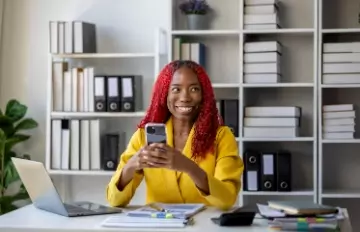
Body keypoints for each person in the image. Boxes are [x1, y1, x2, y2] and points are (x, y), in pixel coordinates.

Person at [106, 60, 244, 210]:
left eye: (194, 89)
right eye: (176, 89)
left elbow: (227, 199)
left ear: (204, 95)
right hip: (160, 225)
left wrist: (190, 168)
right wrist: (132, 165)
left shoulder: (221, 137)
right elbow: (114, 200)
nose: (185, 97)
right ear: (164, 94)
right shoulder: (142, 137)